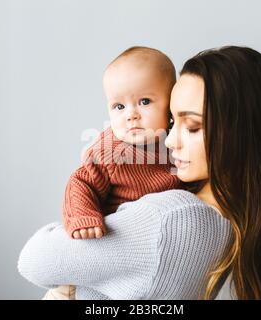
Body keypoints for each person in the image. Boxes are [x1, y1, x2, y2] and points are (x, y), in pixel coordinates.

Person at [18, 46, 261, 299]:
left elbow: (34, 259)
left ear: (242, 135)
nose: (171, 140)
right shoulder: (236, 224)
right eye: (173, 122)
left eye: (192, 126)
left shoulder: (171, 220)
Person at [55, 46, 184, 299]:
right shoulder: (111, 151)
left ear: (171, 107)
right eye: (118, 106)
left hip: (136, 259)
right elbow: (81, 183)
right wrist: (83, 217)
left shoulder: (178, 147)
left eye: (144, 102)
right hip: (98, 249)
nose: (131, 115)